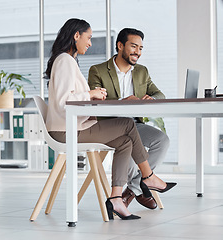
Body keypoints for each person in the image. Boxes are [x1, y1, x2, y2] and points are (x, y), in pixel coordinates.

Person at [46, 18, 176, 220]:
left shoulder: (68, 61)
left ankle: (117, 198)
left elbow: (158, 93)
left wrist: (91, 95)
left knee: (125, 141)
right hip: (66, 130)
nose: (90, 43)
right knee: (126, 123)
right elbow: (65, 101)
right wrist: (91, 94)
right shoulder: (65, 60)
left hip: (76, 125)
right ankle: (148, 177)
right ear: (76, 35)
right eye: (88, 38)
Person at [87, 28, 170, 210]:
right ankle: (140, 186)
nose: (137, 52)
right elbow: (94, 103)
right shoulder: (98, 71)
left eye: (141, 48)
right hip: (109, 125)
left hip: (134, 124)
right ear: (120, 46)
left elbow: (159, 93)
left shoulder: (141, 72)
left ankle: (133, 189)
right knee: (130, 149)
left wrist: (152, 98)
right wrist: (121, 102)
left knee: (161, 140)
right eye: (133, 46)